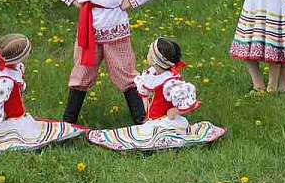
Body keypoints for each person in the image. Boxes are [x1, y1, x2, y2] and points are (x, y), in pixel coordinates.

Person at [87, 37, 226, 151]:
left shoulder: (169, 81)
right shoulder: (152, 75)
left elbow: (186, 100)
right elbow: (145, 94)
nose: (147, 54)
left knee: (147, 135)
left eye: (149, 52)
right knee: (144, 130)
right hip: (155, 119)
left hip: (167, 121)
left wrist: (175, 110)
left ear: (155, 59)